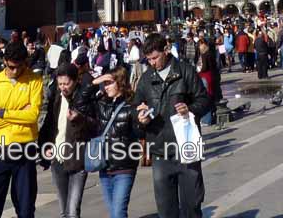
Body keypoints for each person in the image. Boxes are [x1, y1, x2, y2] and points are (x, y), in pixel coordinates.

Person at [133, 32, 210, 218]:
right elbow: (136, 110)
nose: (152, 63)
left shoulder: (185, 71)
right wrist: (140, 118)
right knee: (166, 209)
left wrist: (189, 109)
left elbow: (205, 100)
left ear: (166, 50)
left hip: (186, 146)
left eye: (155, 57)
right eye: (149, 59)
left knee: (191, 204)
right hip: (160, 149)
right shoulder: (145, 79)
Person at [0, 40, 43, 218]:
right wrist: (19, 114)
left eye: (19, 67)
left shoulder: (34, 80)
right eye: (10, 67)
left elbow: (33, 116)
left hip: (25, 149)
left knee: (25, 207)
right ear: (4, 61)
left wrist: (3, 113)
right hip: (0, 149)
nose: (14, 71)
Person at [38, 62, 92, 218]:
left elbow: (93, 126)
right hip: (57, 158)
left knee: (73, 211)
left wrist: (79, 118)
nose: (63, 87)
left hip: (77, 160)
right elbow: (48, 126)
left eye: (66, 83)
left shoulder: (82, 99)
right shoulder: (56, 98)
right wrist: (45, 148)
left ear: (75, 81)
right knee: (64, 211)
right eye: (60, 83)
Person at [90, 68, 140, 218]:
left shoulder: (131, 105)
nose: (105, 87)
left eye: (109, 83)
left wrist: (143, 121)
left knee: (118, 212)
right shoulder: (101, 103)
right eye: (104, 83)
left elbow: (140, 132)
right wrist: (94, 83)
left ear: (120, 83)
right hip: (104, 166)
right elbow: (80, 101)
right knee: (113, 212)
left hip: (124, 167)